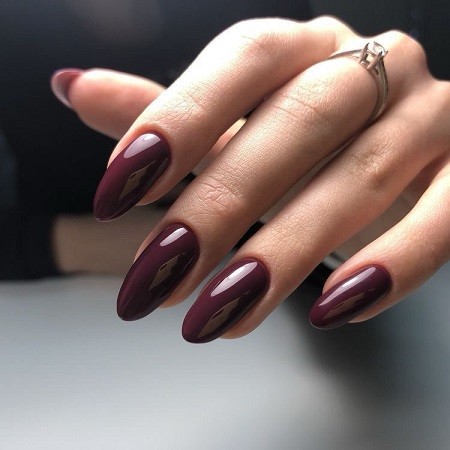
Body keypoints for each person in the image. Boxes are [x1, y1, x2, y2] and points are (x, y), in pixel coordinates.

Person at [1, 1, 449, 343]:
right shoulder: (14, 33)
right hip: (52, 325)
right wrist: (80, 244)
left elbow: (310, 195)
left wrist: (373, 95)